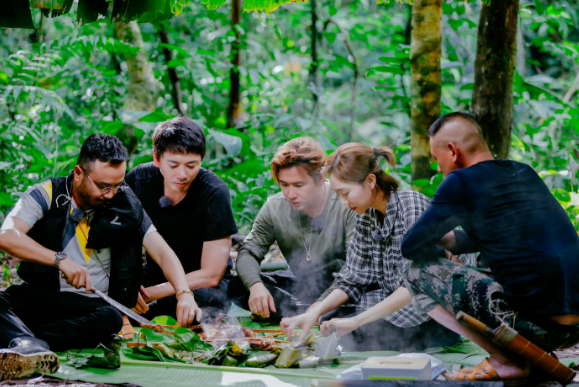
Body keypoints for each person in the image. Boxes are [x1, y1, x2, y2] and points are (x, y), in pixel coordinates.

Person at [0, 134, 200, 380]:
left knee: (110, 319)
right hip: (43, 297)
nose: (110, 194)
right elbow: (7, 235)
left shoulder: (125, 203)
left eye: (117, 185)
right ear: (78, 173)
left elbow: (162, 251)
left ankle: (26, 343)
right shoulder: (47, 194)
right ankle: (30, 345)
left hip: (93, 307)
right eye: (103, 186)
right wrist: (59, 260)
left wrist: (184, 293)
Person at [400, 112, 579, 382]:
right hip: (574, 329)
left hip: (533, 326)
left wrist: (439, 249)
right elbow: (512, 236)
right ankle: (531, 355)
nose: (438, 168)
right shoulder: (523, 172)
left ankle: (505, 359)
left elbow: (410, 246)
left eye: (437, 159)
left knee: (416, 272)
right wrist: (450, 241)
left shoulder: (460, 182)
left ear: (452, 151)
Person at [281, 143, 469, 351]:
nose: (343, 202)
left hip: (431, 310)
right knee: (329, 321)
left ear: (370, 181)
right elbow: (353, 277)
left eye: (346, 193)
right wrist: (313, 312)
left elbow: (414, 286)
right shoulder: (366, 216)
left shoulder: (411, 207)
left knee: (350, 334)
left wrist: (356, 321)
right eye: (339, 195)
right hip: (393, 298)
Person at [227, 137, 357, 322]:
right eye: (284, 184)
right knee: (236, 285)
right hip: (301, 290)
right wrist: (256, 287)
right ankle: (304, 314)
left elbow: (355, 269)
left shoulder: (347, 204)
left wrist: (322, 303)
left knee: (362, 303)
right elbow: (248, 252)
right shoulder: (275, 206)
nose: (290, 194)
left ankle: (311, 314)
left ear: (320, 179)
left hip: (344, 292)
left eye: (298, 185)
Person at [126, 118, 238, 321]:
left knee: (204, 303)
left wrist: (150, 293)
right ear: (157, 158)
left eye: (191, 165)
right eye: (174, 164)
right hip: (155, 274)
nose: (182, 174)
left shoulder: (214, 192)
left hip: (202, 284)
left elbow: (212, 274)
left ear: (201, 161)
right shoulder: (138, 180)